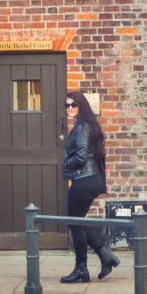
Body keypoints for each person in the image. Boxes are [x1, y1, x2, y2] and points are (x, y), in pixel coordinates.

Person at [60, 91, 120, 283]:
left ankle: (81, 269)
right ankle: (105, 256)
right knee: (78, 221)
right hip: (89, 179)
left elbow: (81, 156)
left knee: (74, 223)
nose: (70, 108)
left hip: (85, 179)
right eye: (67, 105)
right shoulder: (84, 125)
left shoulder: (82, 127)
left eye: (73, 105)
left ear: (81, 106)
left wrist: (65, 165)